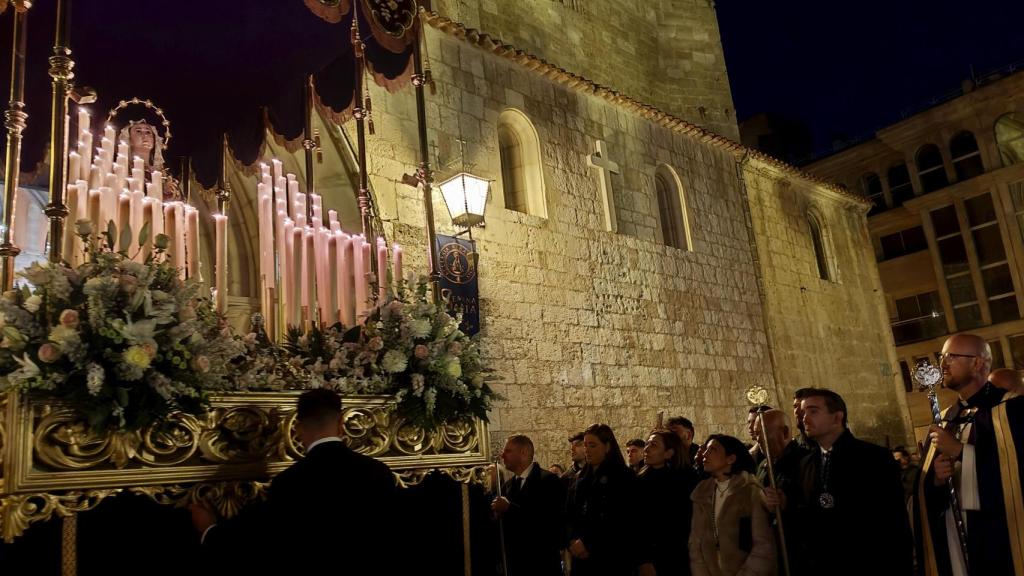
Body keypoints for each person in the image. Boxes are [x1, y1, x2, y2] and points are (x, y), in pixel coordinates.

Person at [189, 389, 397, 575]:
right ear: (341, 425)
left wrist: (209, 529)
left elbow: (255, 543)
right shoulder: (379, 472)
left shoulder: (290, 482)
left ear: (297, 429)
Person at [920, 333, 1024, 576]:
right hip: (955, 533)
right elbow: (925, 491)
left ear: (977, 363)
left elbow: (1016, 474)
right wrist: (936, 480)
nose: (942, 364)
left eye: (951, 356)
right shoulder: (946, 417)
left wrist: (959, 452)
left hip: (1000, 534)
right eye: (941, 357)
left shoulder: (1012, 409)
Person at [789, 388, 913, 576]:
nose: (804, 418)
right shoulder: (805, 464)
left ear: (837, 417)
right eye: (803, 412)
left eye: (813, 411)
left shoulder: (874, 458)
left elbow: (894, 524)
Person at [689, 434, 775, 576]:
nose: (705, 454)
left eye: (713, 449)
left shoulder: (750, 491)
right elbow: (695, 543)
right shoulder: (702, 493)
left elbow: (763, 545)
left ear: (731, 458)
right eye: (706, 449)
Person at [566, 424, 640, 575]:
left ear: (607, 447)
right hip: (580, 557)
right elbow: (569, 512)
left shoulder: (624, 477)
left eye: (592, 445)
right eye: (585, 445)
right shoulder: (579, 478)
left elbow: (622, 519)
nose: (587, 450)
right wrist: (572, 539)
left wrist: (588, 543)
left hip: (610, 558)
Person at [492, 435, 567, 576]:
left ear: (523, 452)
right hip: (515, 565)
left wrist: (510, 509)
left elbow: (548, 523)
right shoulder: (508, 486)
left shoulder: (548, 481)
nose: (502, 455)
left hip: (541, 564)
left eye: (508, 451)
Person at [755, 409, 808, 575]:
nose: (758, 439)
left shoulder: (806, 462)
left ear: (784, 432)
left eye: (762, 432)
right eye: (756, 434)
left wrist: (787, 504)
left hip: (799, 550)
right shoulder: (763, 465)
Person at [637, 429, 697, 576]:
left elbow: (681, 524)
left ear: (669, 453)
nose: (646, 449)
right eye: (647, 443)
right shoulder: (639, 480)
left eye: (653, 445)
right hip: (645, 557)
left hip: (674, 558)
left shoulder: (683, 482)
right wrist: (644, 559)